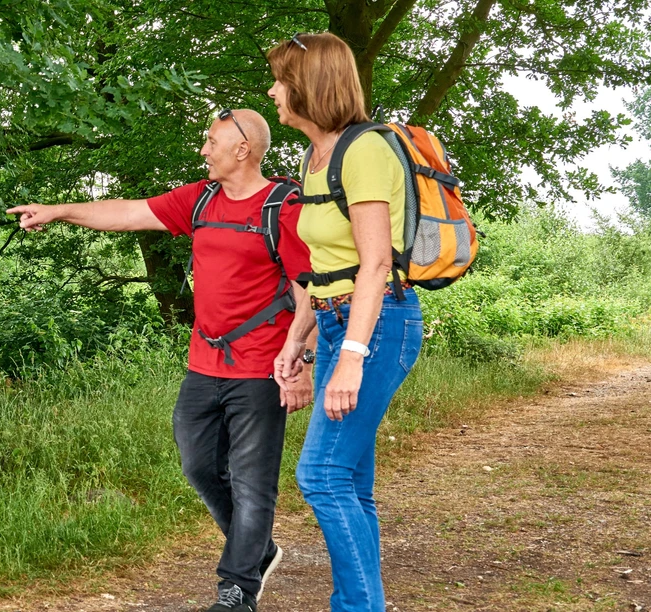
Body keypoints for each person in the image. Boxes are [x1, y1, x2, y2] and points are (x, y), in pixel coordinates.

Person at [8, 109, 312, 612]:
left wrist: (299, 358)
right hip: (203, 364)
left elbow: (310, 291)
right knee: (197, 464)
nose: (203, 149)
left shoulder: (284, 208)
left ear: (243, 149)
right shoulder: (201, 198)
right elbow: (129, 212)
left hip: (261, 365)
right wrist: (59, 210)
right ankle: (258, 548)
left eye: (211, 141)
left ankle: (238, 589)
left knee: (253, 480)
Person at [266, 32, 425, 612]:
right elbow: (326, 270)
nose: (273, 91)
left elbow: (376, 262)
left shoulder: (364, 151)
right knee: (350, 482)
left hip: (379, 327)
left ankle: (359, 607)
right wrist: (298, 341)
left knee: (323, 477)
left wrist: (352, 358)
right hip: (337, 325)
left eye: (281, 80)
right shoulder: (316, 158)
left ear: (309, 85)